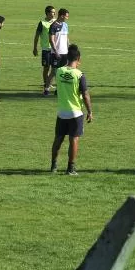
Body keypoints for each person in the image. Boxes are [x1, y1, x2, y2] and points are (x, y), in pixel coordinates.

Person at [51, 44, 93, 176]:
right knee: (73, 140)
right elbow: (85, 95)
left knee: (58, 139)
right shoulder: (79, 75)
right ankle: (70, 168)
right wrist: (90, 111)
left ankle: (53, 165)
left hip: (61, 112)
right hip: (75, 113)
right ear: (78, 59)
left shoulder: (59, 71)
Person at [33, 5, 56, 95]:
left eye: (54, 12)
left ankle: (48, 83)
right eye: (52, 12)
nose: (54, 14)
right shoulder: (42, 23)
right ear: (47, 13)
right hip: (46, 49)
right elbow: (37, 35)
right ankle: (46, 84)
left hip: (54, 49)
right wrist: (35, 48)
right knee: (46, 68)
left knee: (54, 68)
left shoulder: (55, 22)